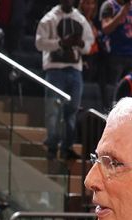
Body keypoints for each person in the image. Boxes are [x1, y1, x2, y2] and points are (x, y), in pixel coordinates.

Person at [35, 0, 94, 160]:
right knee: (53, 110)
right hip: (55, 69)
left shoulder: (80, 19)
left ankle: (67, 147)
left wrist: (81, 43)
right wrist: (61, 43)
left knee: (72, 109)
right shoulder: (49, 18)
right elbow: (39, 43)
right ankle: (52, 146)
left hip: (75, 70)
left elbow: (89, 43)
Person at [99, 0, 132, 95]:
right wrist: (122, 13)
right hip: (115, 55)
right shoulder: (109, 5)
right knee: (112, 89)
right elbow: (106, 29)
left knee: (130, 88)